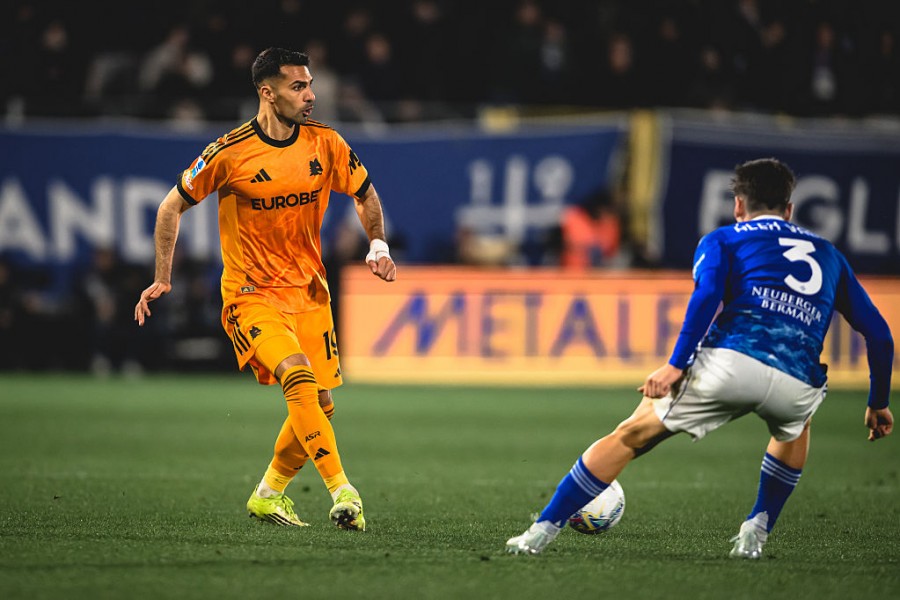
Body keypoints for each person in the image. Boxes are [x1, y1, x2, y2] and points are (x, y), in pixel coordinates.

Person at [506, 158, 893, 558]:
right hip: (798, 381)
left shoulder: (723, 239)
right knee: (796, 427)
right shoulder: (830, 255)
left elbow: (707, 296)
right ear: (790, 209)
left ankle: (539, 532)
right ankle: (755, 533)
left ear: (738, 205)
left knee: (632, 434)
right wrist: (878, 402)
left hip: (733, 363)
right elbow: (880, 335)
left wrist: (676, 364)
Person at [135, 47, 397, 531]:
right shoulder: (228, 152)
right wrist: (163, 277)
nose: (311, 95)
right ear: (267, 92)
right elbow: (170, 206)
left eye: (310, 84)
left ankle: (268, 494)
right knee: (297, 375)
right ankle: (343, 491)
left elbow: (364, 193)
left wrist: (377, 244)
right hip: (251, 294)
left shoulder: (327, 143)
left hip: (309, 293)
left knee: (321, 406)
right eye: (299, 86)